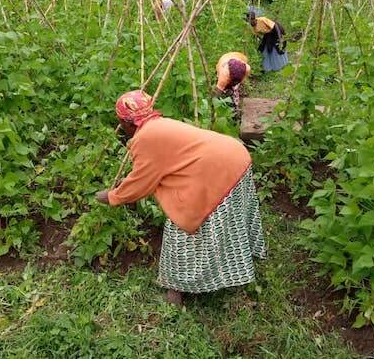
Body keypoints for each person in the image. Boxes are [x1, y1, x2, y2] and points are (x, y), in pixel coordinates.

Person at [95, 90, 266, 306]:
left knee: (181, 230)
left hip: (221, 171)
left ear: (127, 122)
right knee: (230, 218)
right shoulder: (160, 125)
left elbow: (141, 183)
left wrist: (112, 197)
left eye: (120, 122)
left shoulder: (146, 138)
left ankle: (179, 286)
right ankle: (240, 259)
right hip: (235, 157)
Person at [247, 9, 288, 73]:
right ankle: (265, 67)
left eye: (250, 21)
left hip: (276, 30)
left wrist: (280, 37)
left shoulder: (262, 20)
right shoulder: (252, 27)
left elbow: (275, 25)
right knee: (262, 48)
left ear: (253, 19)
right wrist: (261, 43)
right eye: (248, 21)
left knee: (277, 47)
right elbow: (257, 36)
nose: (250, 23)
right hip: (268, 33)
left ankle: (280, 65)